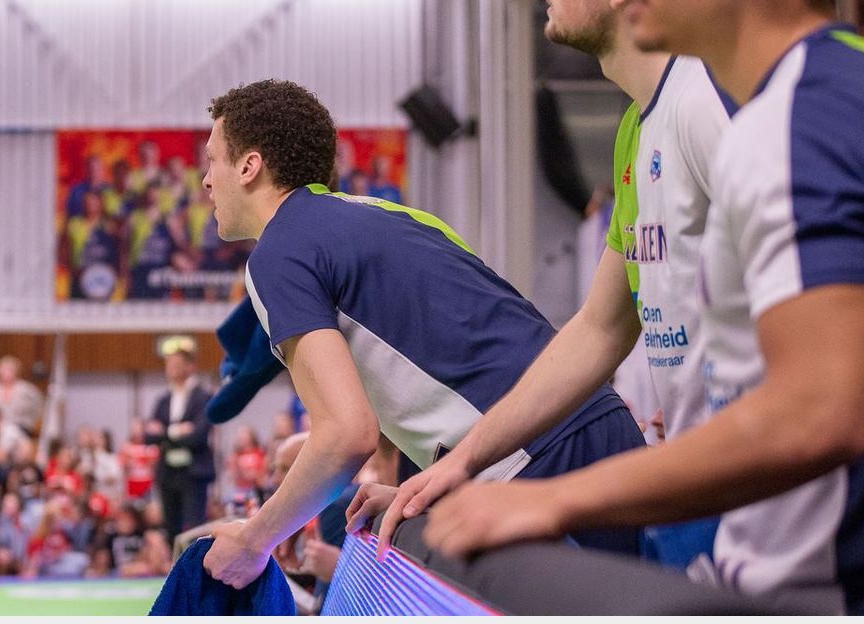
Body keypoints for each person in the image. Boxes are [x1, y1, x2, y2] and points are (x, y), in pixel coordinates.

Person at [424, 0, 864, 615]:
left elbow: (814, 413)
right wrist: (476, 457)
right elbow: (604, 325)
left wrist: (554, 499)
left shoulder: (798, 121)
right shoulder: (851, 95)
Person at [353, 0, 734, 568]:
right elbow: (599, 329)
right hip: (699, 494)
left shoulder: (709, 101)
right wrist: (462, 462)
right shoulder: (637, 129)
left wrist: (553, 499)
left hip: (772, 501)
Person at [199, 79, 645, 591]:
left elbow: (346, 434)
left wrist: (254, 540)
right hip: (598, 422)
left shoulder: (278, 253)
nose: (206, 181)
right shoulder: (394, 214)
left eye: (212, 161)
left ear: (249, 166)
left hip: (533, 456)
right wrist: (427, 488)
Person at [145, 338, 215, 540]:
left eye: (176, 364)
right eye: (168, 364)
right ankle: (175, 561)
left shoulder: (203, 397)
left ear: (190, 366)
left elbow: (198, 435)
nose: (170, 368)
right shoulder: (164, 399)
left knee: (194, 528)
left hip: (194, 472)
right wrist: (177, 431)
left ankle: (194, 561)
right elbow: (149, 436)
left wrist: (165, 433)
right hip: (168, 472)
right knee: (170, 529)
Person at [0, 355, 44, 437]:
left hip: (21, 428)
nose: (4, 372)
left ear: (16, 371)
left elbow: (40, 407)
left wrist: (34, 422)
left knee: (9, 431)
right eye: (2, 369)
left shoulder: (27, 389)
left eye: (8, 369)